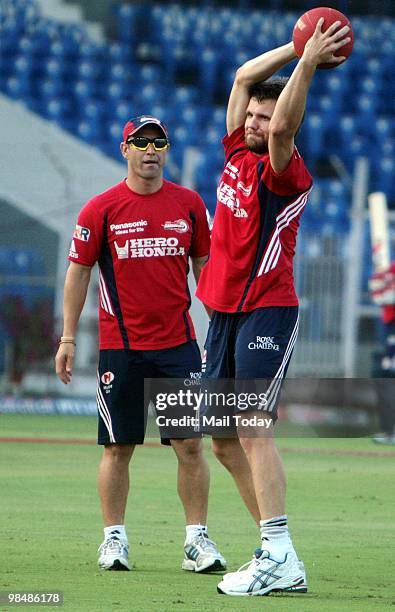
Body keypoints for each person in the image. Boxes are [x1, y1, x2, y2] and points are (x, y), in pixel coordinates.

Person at [196, 19, 351, 596]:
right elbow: (241, 77)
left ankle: (280, 553)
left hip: (267, 308)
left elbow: (286, 123)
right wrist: (293, 45)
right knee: (223, 440)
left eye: (266, 118)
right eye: (254, 117)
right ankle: (274, 551)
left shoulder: (285, 171)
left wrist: (308, 62)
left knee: (253, 428)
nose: (258, 124)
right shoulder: (237, 150)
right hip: (224, 312)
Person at [55, 115, 226, 573]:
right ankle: (114, 540)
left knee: (191, 445)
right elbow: (78, 273)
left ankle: (197, 542)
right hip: (121, 346)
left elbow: (205, 271)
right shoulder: (101, 209)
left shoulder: (190, 205)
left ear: (167, 150)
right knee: (118, 446)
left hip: (179, 347)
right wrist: (68, 337)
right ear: (124, 149)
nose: (150, 150)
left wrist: (221, 332)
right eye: (140, 142)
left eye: (158, 142)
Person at [369, 261, 395, 444]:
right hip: (389, 327)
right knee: (382, 374)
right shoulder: (391, 267)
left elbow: (389, 296)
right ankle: (389, 430)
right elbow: (379, 297)